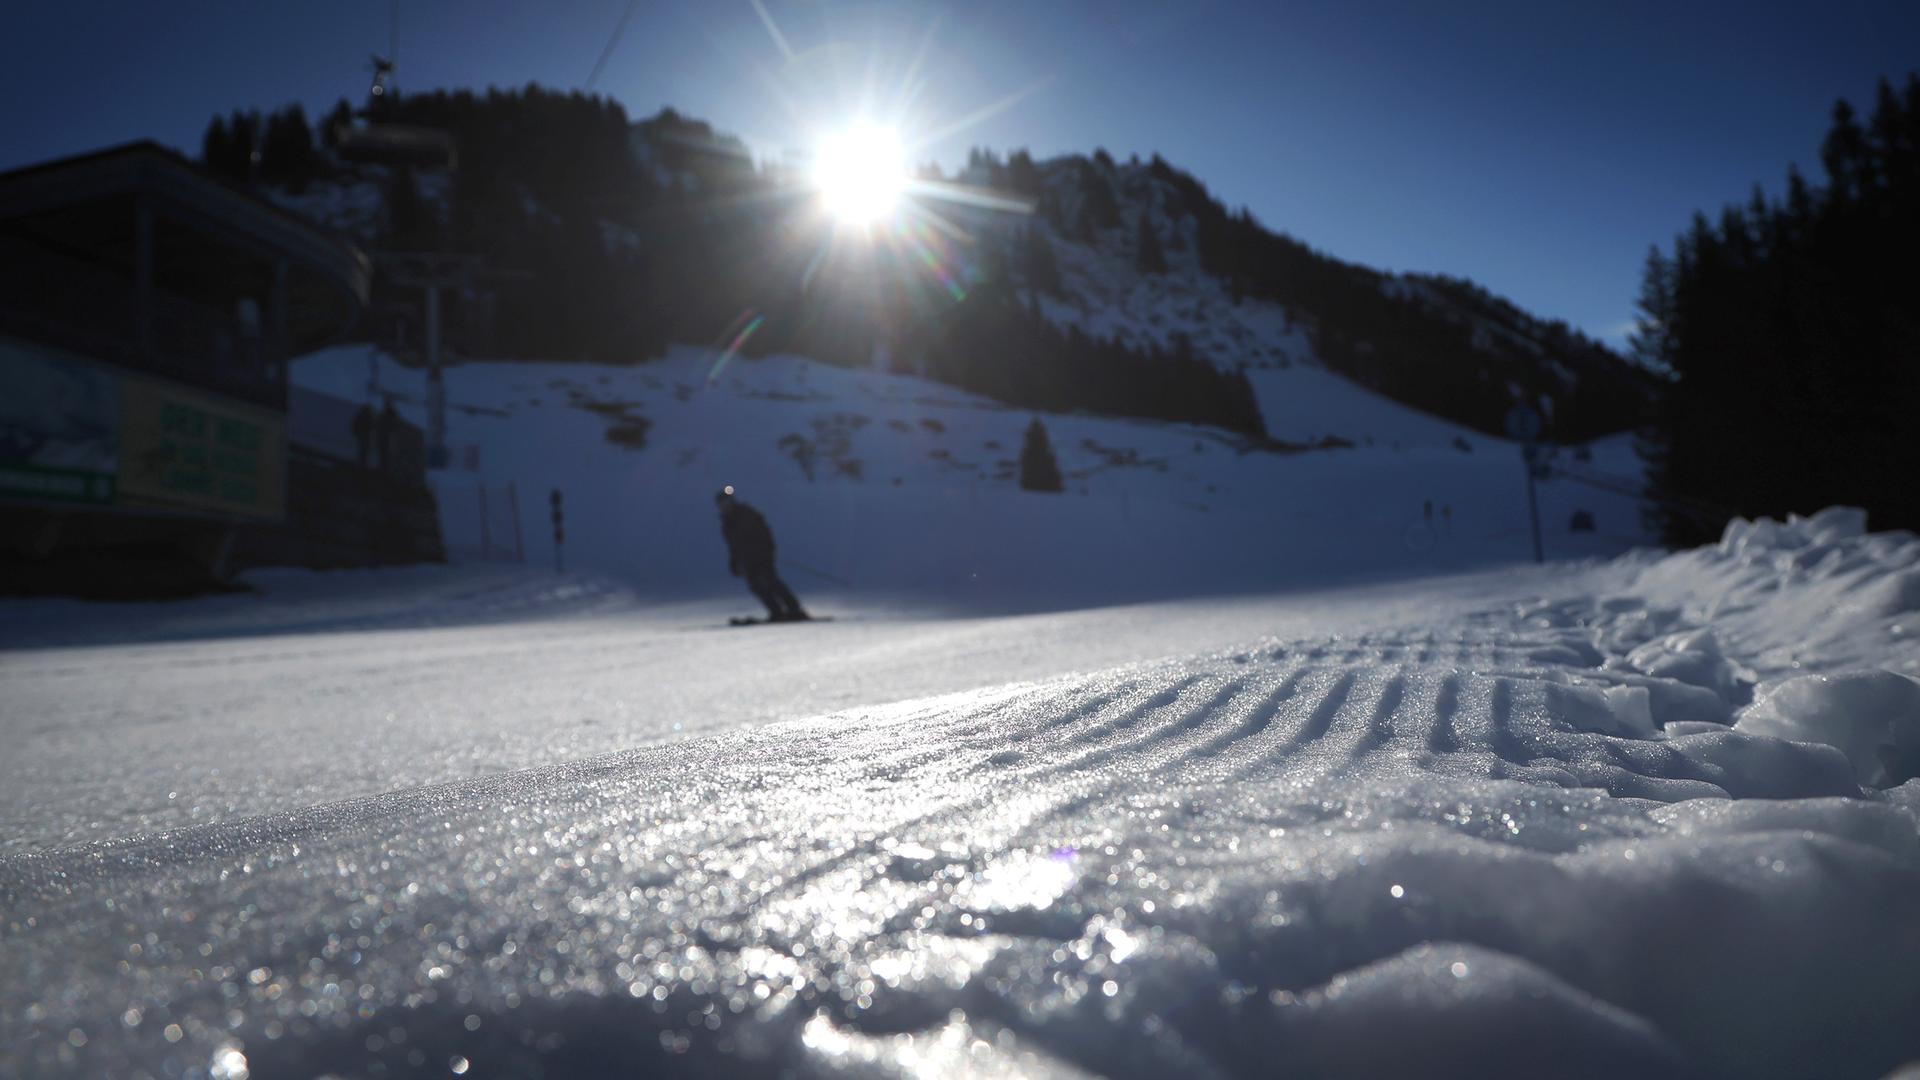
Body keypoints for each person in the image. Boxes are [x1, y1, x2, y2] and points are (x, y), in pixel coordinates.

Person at [715, 486, 808, 622]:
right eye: (721, 504)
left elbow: (764, 534)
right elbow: (734, 545)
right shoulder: (727, 523)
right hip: (747, 560)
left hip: (762, 555)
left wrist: (766, 551)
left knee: (771, 581)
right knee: (756, 586)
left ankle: (794, 609)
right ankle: (776, 611)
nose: (724, 507)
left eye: (726, 503)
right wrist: (734, 561)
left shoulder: (747, 514)